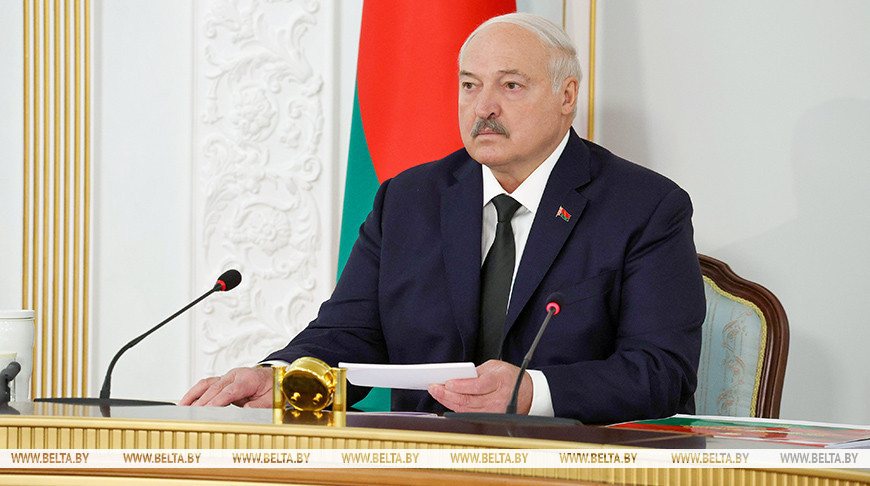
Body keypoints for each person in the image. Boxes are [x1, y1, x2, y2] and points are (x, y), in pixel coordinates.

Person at [180, 12, 705, 424]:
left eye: (510, 86)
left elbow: (663, 372)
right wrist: (284, 378)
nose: (484, 108)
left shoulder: (645, 207)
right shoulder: (408, 200)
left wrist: (531, 393)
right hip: (423, 465)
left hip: (570, 464)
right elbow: (349, 334)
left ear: (566, 96)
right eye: (470, 85)